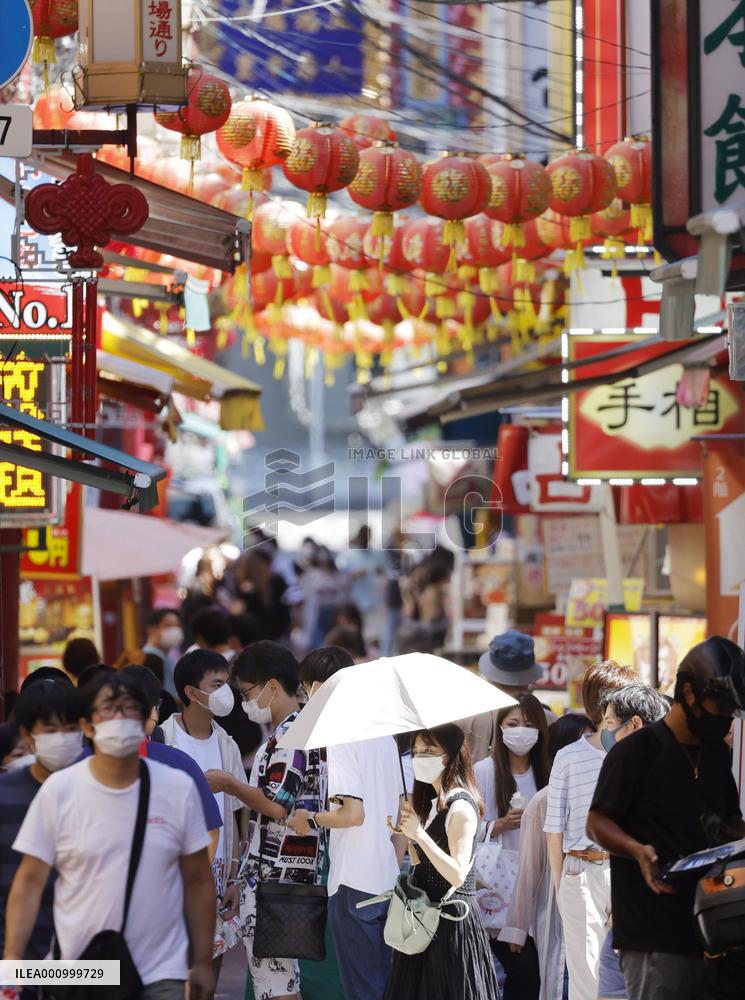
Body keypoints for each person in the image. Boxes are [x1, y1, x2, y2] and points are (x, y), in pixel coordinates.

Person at [5, 671, 216, 1000]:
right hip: (79, 969)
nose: (119, 717)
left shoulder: (177, 788)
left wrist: (202, 960)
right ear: (88, 726)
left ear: (147, 719)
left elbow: (199, 879)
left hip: (161, 970)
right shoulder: (59, 791)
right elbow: (30, 881)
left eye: (129, 708)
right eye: (108, 708)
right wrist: (13, 962)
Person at [587, 637, 745, 1000]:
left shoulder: (717, 756)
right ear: (688, 694)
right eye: (720, 707)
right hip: (652, 930)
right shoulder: (636, 751)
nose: (725, 719)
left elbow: (729, 821)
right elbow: (596, 821)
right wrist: (638, 850)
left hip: (711, 923)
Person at [288, 645, 402, 1000]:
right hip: (386, 879)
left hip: (353, 881)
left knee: (364, 989)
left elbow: (352, 813)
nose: (306, 696)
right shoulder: (384, 735)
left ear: (320, 687)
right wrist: (391, 868)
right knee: (383, 985)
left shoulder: (337, 735)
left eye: (307, 687)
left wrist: (310, 818)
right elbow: (401, 812)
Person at [225, 642, 326, 1000]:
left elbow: (275, 805)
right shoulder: (294, 731)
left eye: (247, 691)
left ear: (270, 686)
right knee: (277, 983)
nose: (244, 701)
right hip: (280, 876)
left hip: (277, 880)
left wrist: (229, 784)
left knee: (277, 984)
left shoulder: (291, 735)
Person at [385, 723, 500, 999]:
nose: (419, 757)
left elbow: (458, 873)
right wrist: (410, 836)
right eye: (415, 751)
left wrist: (420, 836)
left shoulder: (460, 806)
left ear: (448, 755)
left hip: (450, 927)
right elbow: (427, 864)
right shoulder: (436, 802)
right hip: (425, 922)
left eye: (428, 750)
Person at [544, 660, 637, 1000]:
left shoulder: (640, 754)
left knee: (631, 971)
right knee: (585, 977)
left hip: (626, 869)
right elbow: (553, 827)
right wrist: (561, 883)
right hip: (581, 869)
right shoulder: (569, 756)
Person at [501, 714, 595, 1000]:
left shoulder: (600, 791)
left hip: (596, 906)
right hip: (556, 909)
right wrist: (516, 928)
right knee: (563, 978)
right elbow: (529, 869)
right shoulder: (543, 801)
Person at [160, 650, 247, 936]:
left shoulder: (227, 745)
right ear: (191, 692)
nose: (226, 692)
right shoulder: (165, 741)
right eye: (216, 684)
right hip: (173, 875)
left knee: (212, 967)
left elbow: (235, 814)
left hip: (219, 877)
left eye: (227, 683)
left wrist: (234, 876)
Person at [0, 680, 82, 981]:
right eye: (50, 730)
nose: (62, 738)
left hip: (88, 963)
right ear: (27, 735)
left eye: (71, 728)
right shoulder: (4, 796)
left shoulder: (98, 792)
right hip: (18, 964)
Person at [593, 684, 669, 1000]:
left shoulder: (634, 764)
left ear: (634, 724)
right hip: (635, 922)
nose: (604, 733)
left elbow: (597, 824)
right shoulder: (671, 762)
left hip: (648, 926)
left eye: (609, 723)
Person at [475, 693, 550, 999]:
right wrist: (500, 825)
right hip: (498, 890)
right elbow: (462, 829)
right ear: (500, 727)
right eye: (513, 723)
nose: (521, 731)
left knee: (538, 973)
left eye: (529, 724)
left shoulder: (549, 772)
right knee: (524, 973)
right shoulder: (484, 771)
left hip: (540, 886)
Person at [143, 607, 184, 699]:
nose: (175, 631)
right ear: (152, 629)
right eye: (168, 625)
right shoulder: (150, 658)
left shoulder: (166, 658)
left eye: (178, 625)